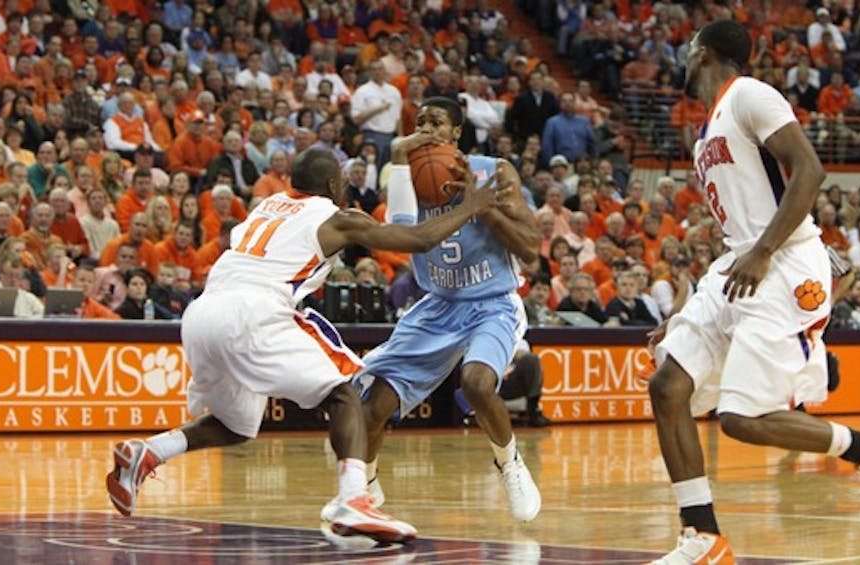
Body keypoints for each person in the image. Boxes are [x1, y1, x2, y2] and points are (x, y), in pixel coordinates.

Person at [106, 148, 497, 543]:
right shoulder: (335, 216)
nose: (345, 186)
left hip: (201, 314)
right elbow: (419, 239)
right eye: (342, 180)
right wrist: (472, 206)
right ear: (331, 185)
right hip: (253, 311)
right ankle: (353, 500)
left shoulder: (266, 206)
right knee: (344, 394)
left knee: (236, 424)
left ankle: (150, 451)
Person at [646, 21, 860, 565]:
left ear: (702, 53)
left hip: (787, 261)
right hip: (741, 260)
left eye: (687, 48)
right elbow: (742, 223)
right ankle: (703, 537)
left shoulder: (749, 94)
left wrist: (766, 250)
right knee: (668, 385)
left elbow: (810, 171)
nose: (681, 56)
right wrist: (684, 312)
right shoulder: (709, 126)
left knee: (743, 420)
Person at [349, 97, 542, 525]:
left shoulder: (494, 170)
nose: (426, 130)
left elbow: (530, 250)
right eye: (418, 123)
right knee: (372, 407)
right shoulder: (409, 175)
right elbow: (400, 233)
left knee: (476, 382)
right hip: (437, 305)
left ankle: (509, 462)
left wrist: (484, 207)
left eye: (436, 122)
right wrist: (399, 157)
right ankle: (365, 489)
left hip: (493, 303)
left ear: (456, 133)